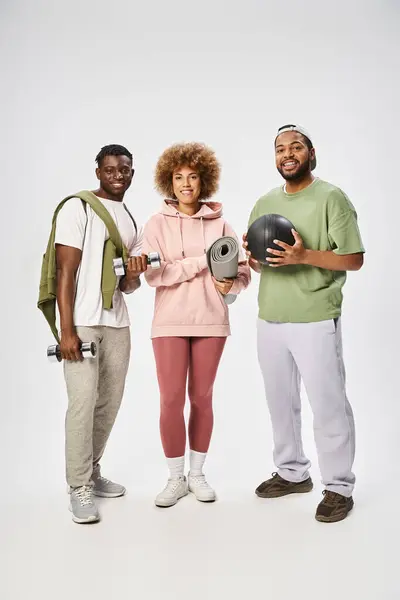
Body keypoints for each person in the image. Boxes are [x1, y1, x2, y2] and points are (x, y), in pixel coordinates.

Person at [244, 124, 365, 523]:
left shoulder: (332, 197)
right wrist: (255, 259)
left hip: (315, 317)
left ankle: (338, 486)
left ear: (311, 154)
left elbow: (352, 258)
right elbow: (261, 263)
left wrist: (303, 256)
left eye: (296, 146)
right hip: (270, 317)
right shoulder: (263, 202)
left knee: (328, 404)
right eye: (280, 149)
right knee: (281, 403)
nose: (287, 153)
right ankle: (292, 473)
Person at [142, 142, 251, 508]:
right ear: (168, 182)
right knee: (171, 400)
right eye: (178, 177)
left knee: (202, 399)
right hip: (169, 322)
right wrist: (201, 262)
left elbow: (242, 271)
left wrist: (229, 284)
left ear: (204, 181)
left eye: (192, 176)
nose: (186, 184)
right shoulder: (156, 224)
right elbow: (155, 275)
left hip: (211, 319)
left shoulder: (222, 223)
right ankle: (175, 478)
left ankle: (198, 474)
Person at [54, 144, 147, 523]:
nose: (118, 176)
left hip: (117, 323)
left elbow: (128, 287)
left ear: (131, 173)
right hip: (83, 322)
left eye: (124, 170)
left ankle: (92, 469)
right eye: (110, 170)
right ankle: (78, 486)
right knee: (81, 404)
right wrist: (67, 331)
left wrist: (136, 271)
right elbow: (65, 272)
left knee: (108, 402)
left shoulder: (128, 217)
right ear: (98, 171)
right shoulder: (78, 207)